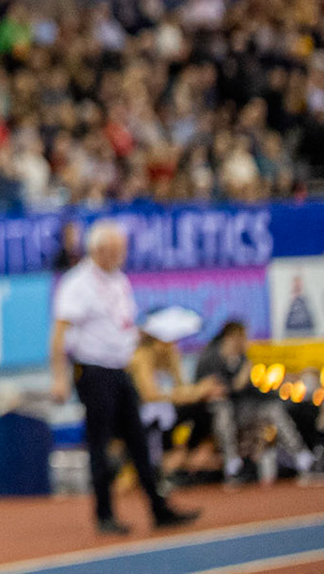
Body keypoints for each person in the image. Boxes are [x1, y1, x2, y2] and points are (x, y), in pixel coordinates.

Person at [50, 220, 200, 535]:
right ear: (100, 249)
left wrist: (151, 333)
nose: (123, 254)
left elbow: (122, 325)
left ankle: (159, 509)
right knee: (100, 444)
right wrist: (59, 378)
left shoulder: (119, 280)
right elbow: (59, 334)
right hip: (93, 371)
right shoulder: (77, 284)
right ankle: (104, 514)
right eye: (118, 249)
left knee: (139, 441)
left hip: (121, 369)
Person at [195, 319, 316, 484]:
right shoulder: (210, 358)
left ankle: (302, 457)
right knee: (223, 411)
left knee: (273, 410)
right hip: (212, 413)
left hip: (243, 409)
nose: (246, 341)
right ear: (232, 337)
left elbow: (252, 392)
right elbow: (217, 390)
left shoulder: (242, 358)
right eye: (242, 337)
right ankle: (232, 464)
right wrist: (241, 377)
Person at [129, 314, 220, 482]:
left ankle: (189, 454)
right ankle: (167, 461)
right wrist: (194, 392)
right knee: (162, 413)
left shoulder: (171, 354)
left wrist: (200, 391)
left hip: (166, 409)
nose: (172, 345)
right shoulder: (141, 357)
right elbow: (150, 395)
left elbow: (181, 387)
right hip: (143, 413)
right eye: (167, 341)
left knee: (204, 406)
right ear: (156, 340)